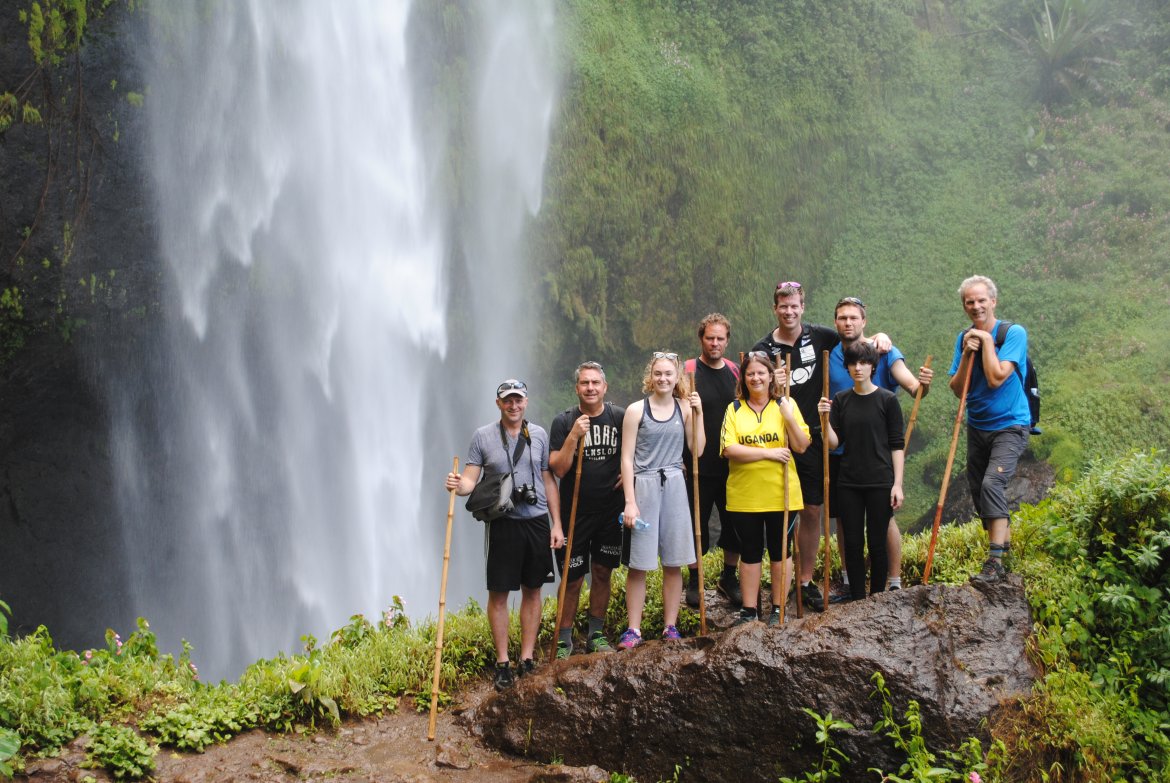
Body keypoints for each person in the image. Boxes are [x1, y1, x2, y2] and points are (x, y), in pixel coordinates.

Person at [750, 281, 890, 612]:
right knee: (777, 508)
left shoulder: (821, 335)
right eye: (783, 306)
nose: (789, 311)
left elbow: (853, 340)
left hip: (812, 434)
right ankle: (777, 580)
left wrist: (881, 339)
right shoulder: (763, 348)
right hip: (776, 435)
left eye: (794, 306)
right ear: (775, 309)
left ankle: (805, 580)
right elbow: (750, 384)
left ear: (802, 307)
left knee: (812, 508)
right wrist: (774, 386)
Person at [445, 379, 564, 690]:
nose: (514, 405)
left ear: (526, 402)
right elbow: (472, 479)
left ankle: (526, 658)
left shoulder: (537, 434)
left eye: (518, 400)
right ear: (498, 403)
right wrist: (459, 486)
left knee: (533, 589)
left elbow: (547, 480)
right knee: (499, 593)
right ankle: (502, 663)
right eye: (508, 400)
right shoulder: (483, 436)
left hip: (536, 521)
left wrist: (557, 523)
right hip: (503, 522)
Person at [826, 297, 932, 594]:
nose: (848, 322)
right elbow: (835, 438)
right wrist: (821, 420)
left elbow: (913, 391)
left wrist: (922, 385)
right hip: (846, 465)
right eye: (842, 318)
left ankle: (888, 588)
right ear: (835, 322)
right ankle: (853, 587)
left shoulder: (885, 364)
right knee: (848, 530)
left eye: (853, 318)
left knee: (880, 530)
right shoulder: (836, 370)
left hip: (879, 467)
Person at [617, 352, 703, 649]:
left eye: (668, 374)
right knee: (639, 563)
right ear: (650, 376)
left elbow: (697, 450)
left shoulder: (684, 408)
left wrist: (698, 413)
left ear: (677, 376)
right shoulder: (635, 411)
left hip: (676, 485)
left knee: (674, 561)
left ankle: (670, 625)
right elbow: (626, 459)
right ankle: (633, 629)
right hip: (644, 485)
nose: (663, 379)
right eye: (658, 374)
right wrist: (630, 501)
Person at [949, 276, 1031, 584]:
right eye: (970, 301)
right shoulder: (963, 339)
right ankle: (1007, 550)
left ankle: (995, 561)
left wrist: (984, 342)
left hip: (1010, 424)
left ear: (993, 301)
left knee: (992, 484)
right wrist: (968, 352)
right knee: (977, 489)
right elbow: (958, 389)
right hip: (978, 425)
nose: (976, 306)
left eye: (982, 300)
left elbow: (997, 377)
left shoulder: (1013, 334)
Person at [722, 352, 810, 626]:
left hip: (781, 494)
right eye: (750, 374)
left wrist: (789, 417)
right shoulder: (734, 409)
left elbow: (801, 445)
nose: (756, 378)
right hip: (744, 495)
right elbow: (729, 449)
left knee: (779, 550)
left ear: (771, 376)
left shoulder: (787, 404)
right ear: (743, 378)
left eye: (761, 373)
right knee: (749, 551)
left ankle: (777, 608)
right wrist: (769, 454)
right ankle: (750, 611)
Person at [548, 361, 624, 657]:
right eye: (584, 383)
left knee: (602, 571)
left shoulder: (618, 417)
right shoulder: (564, 421)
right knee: (572, 577)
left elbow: (637, 451)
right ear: (576, 387)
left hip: (609, 512)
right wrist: (573, 437)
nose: (590, 388)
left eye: (595, 383)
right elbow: (558, 468)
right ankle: (564, 638)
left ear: (605, 387)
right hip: (574, 514)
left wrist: (630, 473)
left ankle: (596, 634)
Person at [820, 341, 905, 600]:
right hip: (848, 481)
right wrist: (824, 419)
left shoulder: (888, 400)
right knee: (853, 543)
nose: (858, 368)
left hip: (880, 480)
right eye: (853, 363)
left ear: (872, 366)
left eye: (864, 363)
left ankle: (877, 596)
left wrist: (897, 484)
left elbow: (897, 444)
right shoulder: (842, 400)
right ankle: (857, 597)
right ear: (846, 367)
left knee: (877, 543)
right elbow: (834, 442)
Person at [682, 313, 743, 608]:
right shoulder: (688, 371)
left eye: (720, 338)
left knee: (734, 522)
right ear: (701, 339)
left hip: (733, 463)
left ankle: (729, 577)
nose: (715, 343)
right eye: (710, 338)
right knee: (697, 522)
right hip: (696, 463)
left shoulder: (735, 371)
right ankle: (695, 578)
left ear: (727, 340)